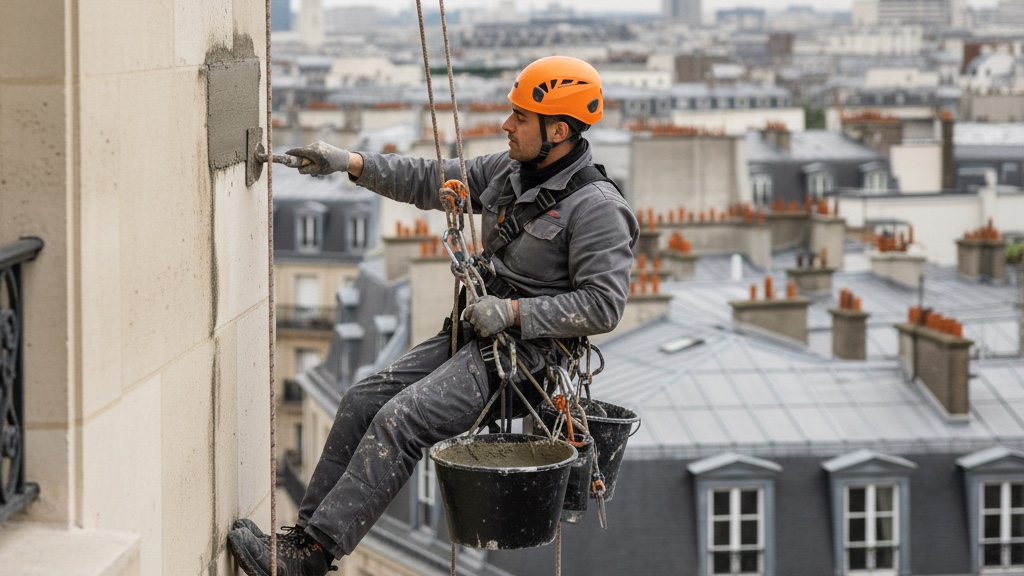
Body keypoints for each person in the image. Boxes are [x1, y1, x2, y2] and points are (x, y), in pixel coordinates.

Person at [227, 55, 639, 576]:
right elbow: (430, 179)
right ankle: (301, 541)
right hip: (477, 338)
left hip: (525, 361)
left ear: (558, 130)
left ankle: (312, 556)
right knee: (362, 401)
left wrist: (513, 312)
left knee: (401, 420)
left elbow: (604, 304)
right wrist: (350, 163)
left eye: (520, 118)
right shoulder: (508, 173)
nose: (507, 125)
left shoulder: (598, 208)